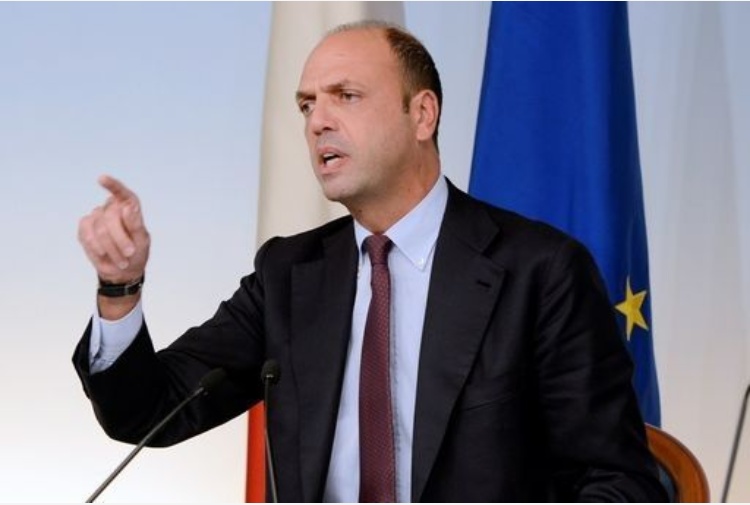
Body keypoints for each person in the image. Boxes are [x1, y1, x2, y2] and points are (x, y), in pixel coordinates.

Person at [74, 21, 667, 502]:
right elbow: (147, 411)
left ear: (422, 115)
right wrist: (119, 287)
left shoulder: (540, 271)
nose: (318, 122)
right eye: (307, 105)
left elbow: (620, 484)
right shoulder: (289, 275)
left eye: (346, 96)